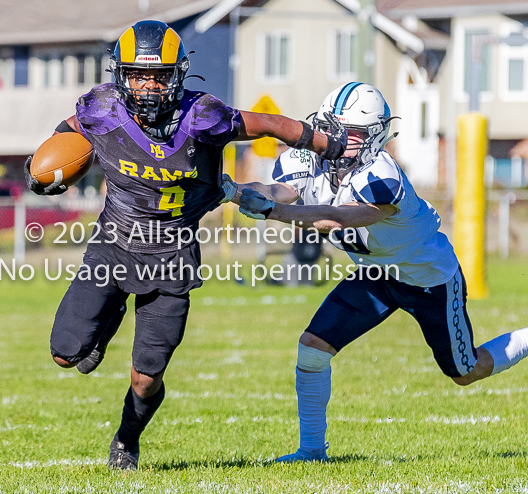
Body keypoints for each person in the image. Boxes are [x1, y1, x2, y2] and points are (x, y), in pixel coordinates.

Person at [24, 20, 349, 470]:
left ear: (178, 75)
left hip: (172, 257)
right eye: (139, 75)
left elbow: (269, 123)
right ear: (122, 75)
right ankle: (110, 315)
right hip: (114, 246)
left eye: (159, 76)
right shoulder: (101, 108)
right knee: (65, 354)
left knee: (145, 378)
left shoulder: (204, 117)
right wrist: (44, 166)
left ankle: (126, 440)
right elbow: (71, 129)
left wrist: (327, 145)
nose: (149, 86)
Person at [224, 82, 528, 462]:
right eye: (330, 128)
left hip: (427, 279)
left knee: (465, 372)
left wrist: (272, 212)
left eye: (348, 134)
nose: (335, 140)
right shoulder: (304, 159)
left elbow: (337, 218)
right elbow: (277, 190)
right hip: (375, 274)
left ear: (374, 137)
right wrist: (234, 190)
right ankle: (312, 450)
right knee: (313, 349)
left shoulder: (383, 176)